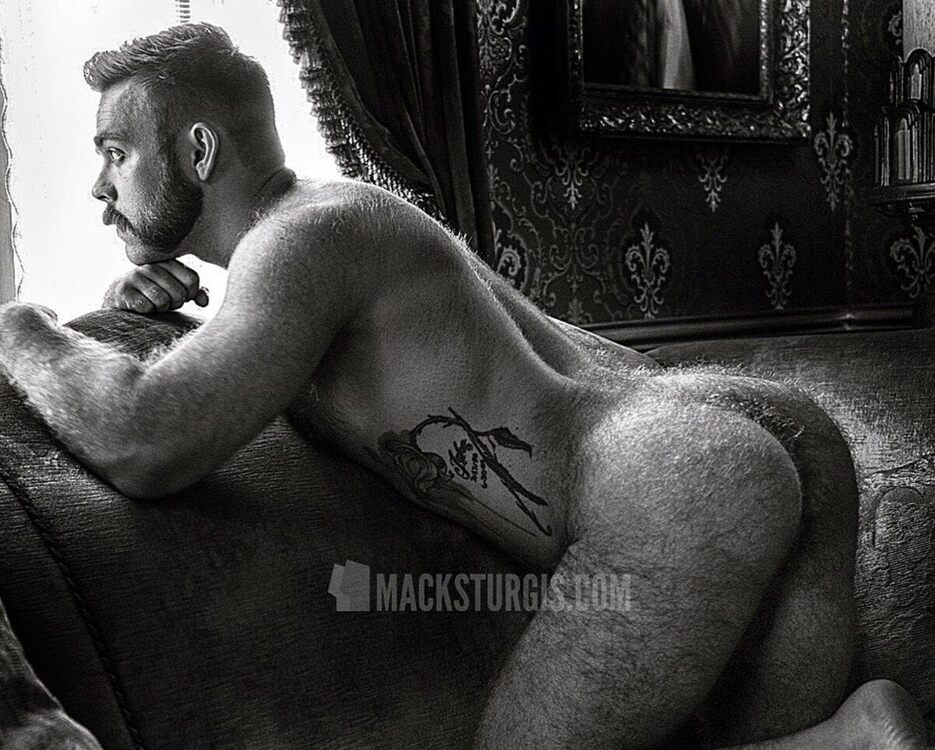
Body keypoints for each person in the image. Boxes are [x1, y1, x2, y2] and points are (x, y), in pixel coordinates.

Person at [0, 23, 928, 749]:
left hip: (671, 483)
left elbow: (147, 440)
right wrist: (148, 309)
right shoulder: (346, 218)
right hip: (755, 431)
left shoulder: (295, 242)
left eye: (115, 151)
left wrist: (20, 328)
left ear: (199, 150)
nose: (97, 187)